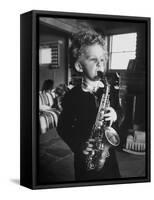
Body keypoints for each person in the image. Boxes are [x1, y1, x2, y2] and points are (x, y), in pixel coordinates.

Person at [57, 31, 124, 181]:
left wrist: (116, 114)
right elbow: (63, 127)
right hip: (85, 156)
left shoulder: (109, 89)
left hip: (108, 154)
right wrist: (79, 145)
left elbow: (120, 111)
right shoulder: (71, 96)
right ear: (80, 66)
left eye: (102, 59)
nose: (100, 64)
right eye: (94, 59)